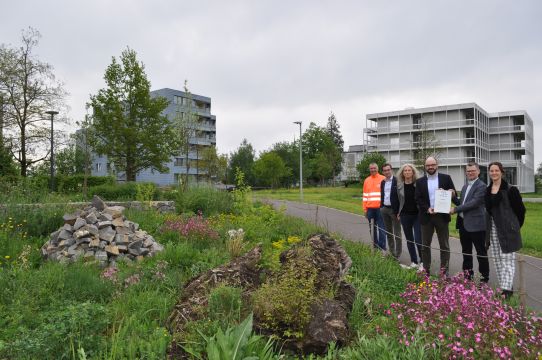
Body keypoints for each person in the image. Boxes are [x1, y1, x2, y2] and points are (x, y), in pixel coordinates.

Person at [485, 161, 526, 299]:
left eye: (497, 170)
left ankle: (506, 292)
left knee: (507, 259)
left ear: (502, 172)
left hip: (508, 231)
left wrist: (514, 227)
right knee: (497, 260)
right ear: (489, 173)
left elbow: (521, 211)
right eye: (491, 171)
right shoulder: (487, 190)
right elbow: (489, 211)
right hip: (493, 230)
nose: (494, 173)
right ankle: (506, 286)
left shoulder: (510, 189)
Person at [415, 156, 456, 275]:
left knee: (444, 245)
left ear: (437, 165)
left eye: (432, 165)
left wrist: (451, 193)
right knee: (425, 245)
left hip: (442, 217)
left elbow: (453, 193)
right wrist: (427, 209)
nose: (430, 167)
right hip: (427, 216)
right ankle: (426, 270)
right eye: (428, 165)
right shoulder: (420, 181)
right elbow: (418, 199)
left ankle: (444, 272)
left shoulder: (446, 178)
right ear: (425, 167)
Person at [451, 162, 489, 283]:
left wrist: (455, 210)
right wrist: (452, 197)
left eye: (473, 170)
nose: (470, 173)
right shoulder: (465, 186)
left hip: (477, 225)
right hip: (463, 224)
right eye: (468, 171)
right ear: (466, 172)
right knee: (466, 252)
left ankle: (484, 278)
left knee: (481, 252)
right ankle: (468, 276)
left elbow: (474, 203)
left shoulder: (482, 186)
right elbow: (462, 204)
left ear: (478, 172)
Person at [396, 163, 422, 269]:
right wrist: (398, 212)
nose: (407, 172)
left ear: (413, 172)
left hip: (417, 215)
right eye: (405, 170)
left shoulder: (419, 184)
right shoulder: (399, 186)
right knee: (409, 239)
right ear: (402, 173)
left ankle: (423, 262)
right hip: (405, 215)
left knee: (418, 239)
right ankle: (414, 261)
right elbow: (398, 201)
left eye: (409, 170)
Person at [363, 162, 386, 251]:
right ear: (369, 169)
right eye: (371, 168)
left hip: (380, 209)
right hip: (370, 209)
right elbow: (365, 196)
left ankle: (382, 248)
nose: (373, 170)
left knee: (381, 228)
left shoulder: (383, 179)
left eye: (374, 168)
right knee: (372, 228)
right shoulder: (366, 180)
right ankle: (375, 247)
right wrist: (365, 209)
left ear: (377, 168)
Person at [380, 163, 401, 259]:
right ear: (383, 172)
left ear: (391, 170)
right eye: (385, 170)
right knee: (388, 233)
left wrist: (399, 211)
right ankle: (392, 252)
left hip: (394, 210)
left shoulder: (397, 181)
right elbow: (382, 195)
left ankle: (398, 254)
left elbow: (401, 197)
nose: (387, 172)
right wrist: (381, 207)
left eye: (388, 170)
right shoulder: (383, 182)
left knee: (397, 233)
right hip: (384, 209)